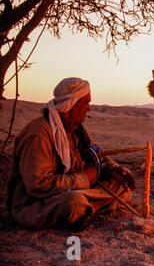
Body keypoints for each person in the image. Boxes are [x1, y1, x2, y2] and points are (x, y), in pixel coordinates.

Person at [7, 77, 135, 231]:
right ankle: (83, 209)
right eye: (86, 103)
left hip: (71, 190)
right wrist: (85, 178)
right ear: (71, 104)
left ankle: (84, 211)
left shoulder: (75, 130)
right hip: (34, 203)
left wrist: (114, 170)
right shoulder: (39, 134)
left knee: (122, 188)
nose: (89, 108)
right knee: (74, 202)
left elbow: (96, 154)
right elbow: (38, 185)